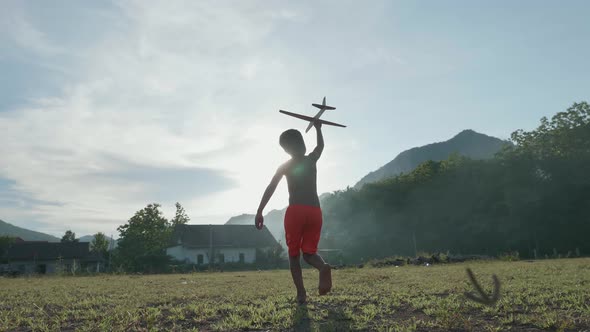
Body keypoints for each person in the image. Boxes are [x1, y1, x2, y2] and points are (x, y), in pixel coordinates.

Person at [255, 121, 332, 304]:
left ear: (285, 150)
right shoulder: (311, 159)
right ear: (302, 144)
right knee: (309, 253)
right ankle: (322, 267)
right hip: (315, 211)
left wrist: (260, 210)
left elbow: (271, 187)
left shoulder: (285, 166)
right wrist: (318, 128)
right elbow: (320, 146)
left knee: (294, 255)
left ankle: (301, 294)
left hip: (296, 211)